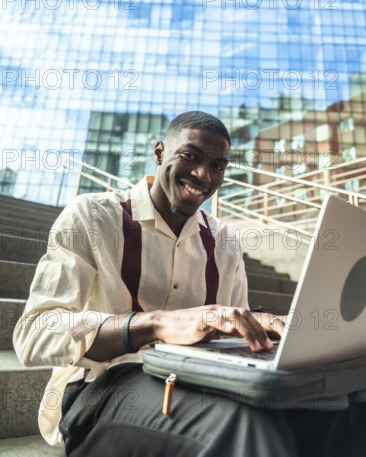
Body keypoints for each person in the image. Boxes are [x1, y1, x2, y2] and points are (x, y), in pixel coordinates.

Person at [13, 111, 366, 456]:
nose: (203, 175)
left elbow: (231, 326)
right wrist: (155, 323)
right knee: (242, 422)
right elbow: (33, 333)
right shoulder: (91, 215)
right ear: (159, 152)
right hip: (100, 388)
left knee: (342, 407)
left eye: (218, 166)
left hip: (200, 378)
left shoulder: (225, 240)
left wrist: (259, 326)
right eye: (190, 156)